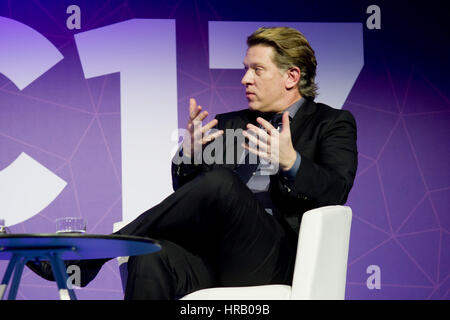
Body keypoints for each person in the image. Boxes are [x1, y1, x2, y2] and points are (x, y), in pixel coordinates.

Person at [28, 27, 358, 300]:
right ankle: (93, 258)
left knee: (223, 185)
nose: (245, 79)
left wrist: (292, 162)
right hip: (214, 257)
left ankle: (90, 256)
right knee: (150, 257)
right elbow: (191, 196)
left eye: (257, 70)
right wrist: (190, 155)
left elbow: (335, 191)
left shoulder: (330, 123)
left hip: (275, 259)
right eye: (246, 69)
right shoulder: (231, 123)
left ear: (291, 77)